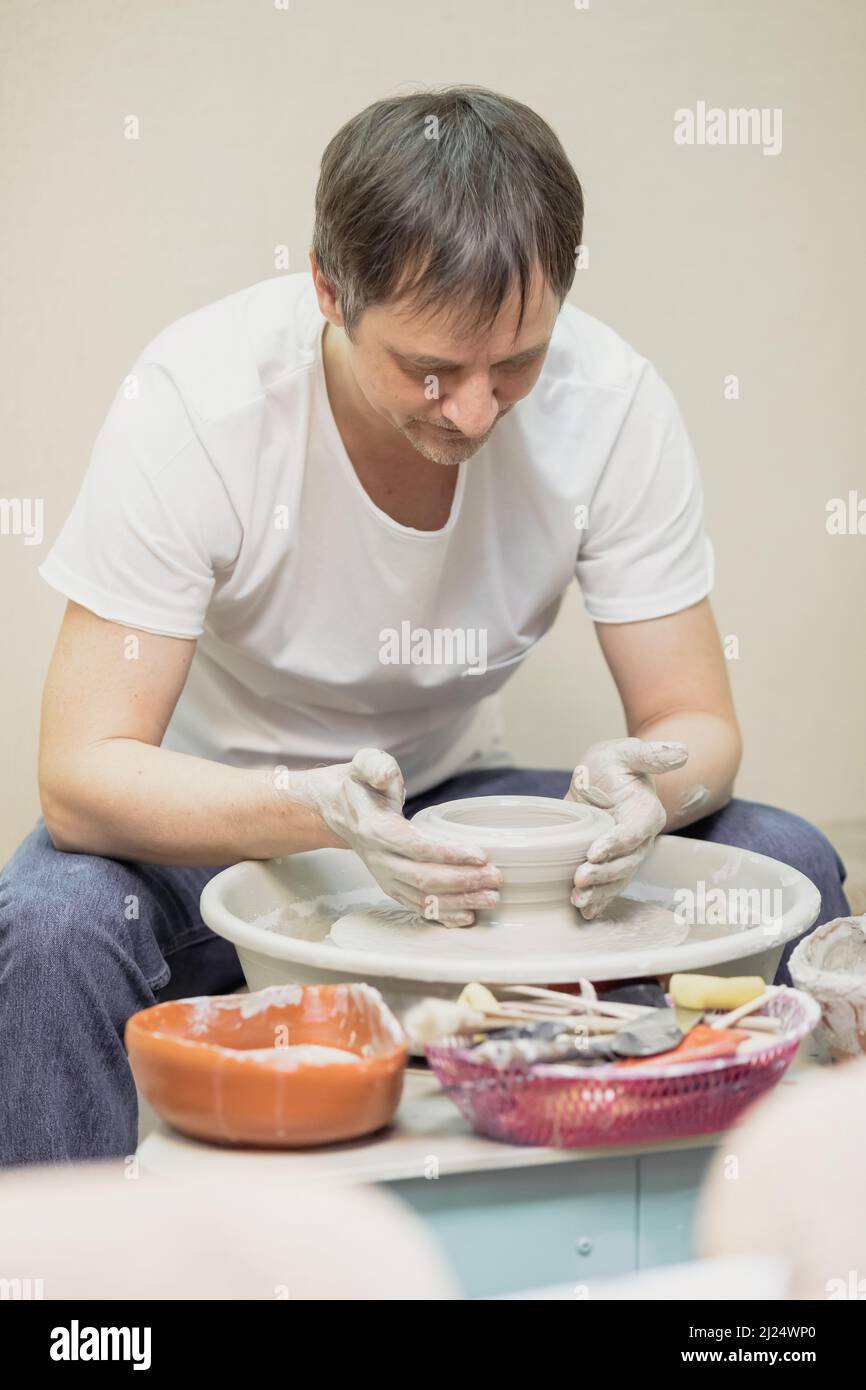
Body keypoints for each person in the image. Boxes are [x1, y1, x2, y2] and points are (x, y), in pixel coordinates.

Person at [0, 87, 848, 1166]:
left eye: (516, 365)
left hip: (448, 808)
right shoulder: (196, 404)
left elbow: (695, 722)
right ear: (326, 288)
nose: (476, 412)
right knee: (51, 923)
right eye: (430, 370)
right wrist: (312, 811)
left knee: (785, 858)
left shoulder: (610, 403)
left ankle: (722, 1248)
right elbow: (80, 779)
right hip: (222, 808)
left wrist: (653, 794)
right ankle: (68, 1297)